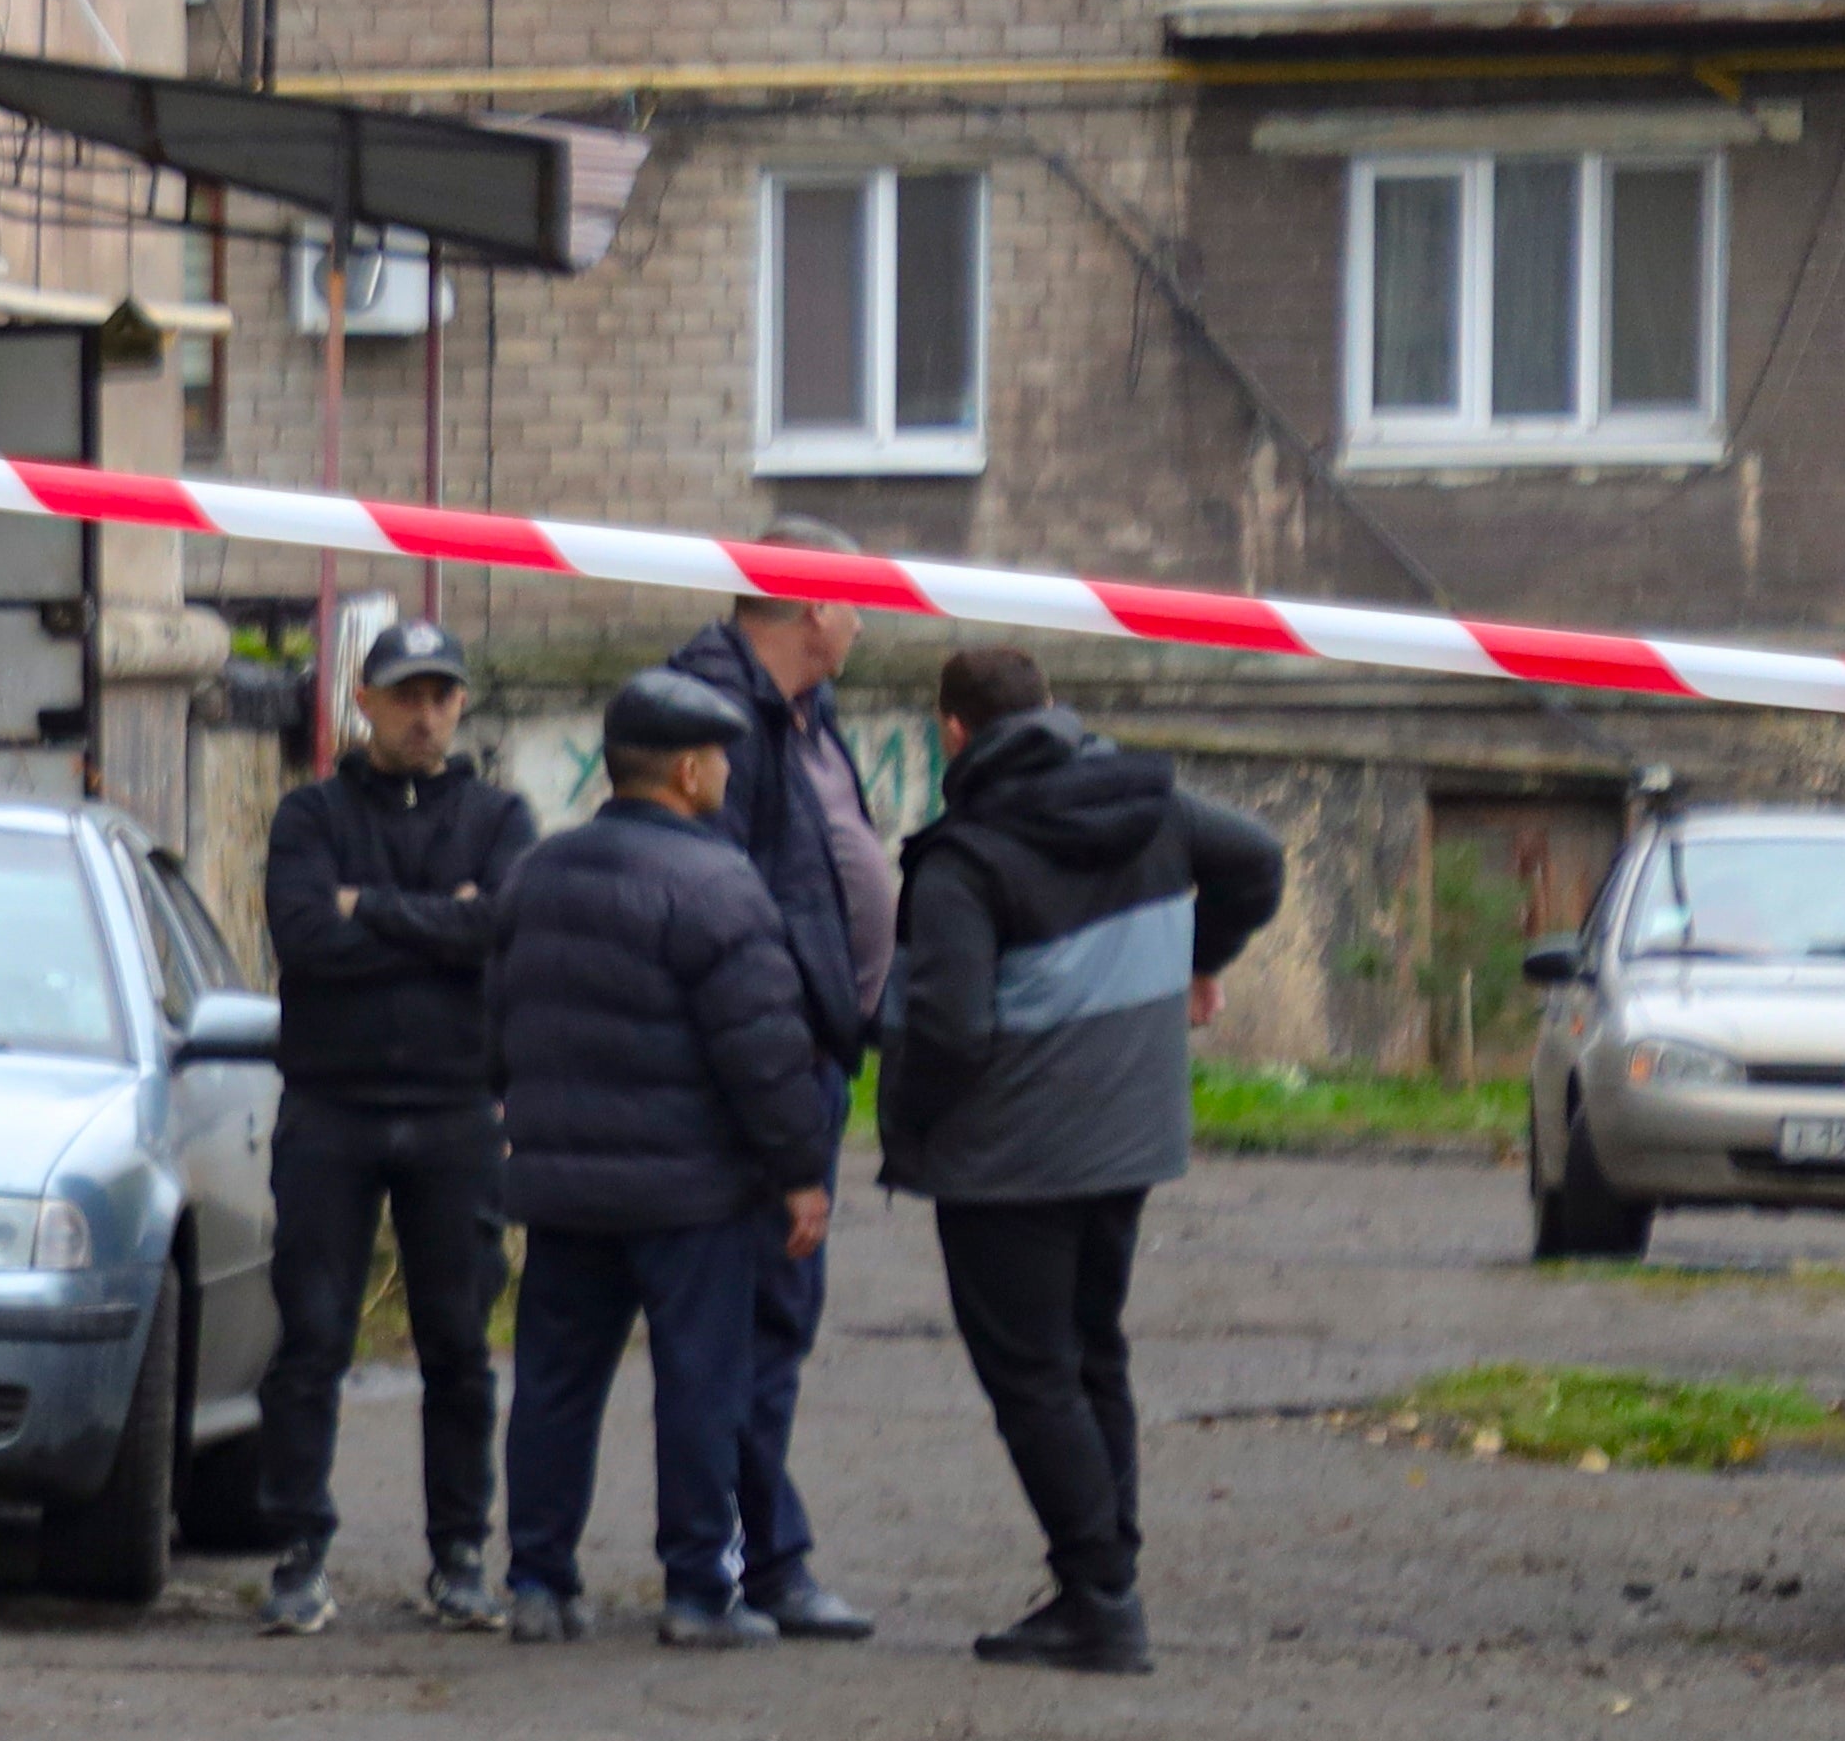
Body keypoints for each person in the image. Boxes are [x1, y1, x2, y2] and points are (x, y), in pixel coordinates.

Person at [879, 642, 1289, 1673]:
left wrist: (912, 1132)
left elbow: (948, 1026)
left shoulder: (963, 857)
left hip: (1008, 1156)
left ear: (955, 732)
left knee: (1031, 1374)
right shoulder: (1151, 802)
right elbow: (1260, 860)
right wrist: (1203, 958)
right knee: (1092, 1351)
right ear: (1052, 710)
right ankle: (1102, 1574)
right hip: (1127, 1135)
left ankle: (1101, 1595)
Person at [489, 673, 844, 1650]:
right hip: (691, 1193)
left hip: (564, 1188)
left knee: (555, 1385)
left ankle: (537, 1579)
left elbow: (498, 1021)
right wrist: (800, 1170)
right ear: (690, 771)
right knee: (701, 1384)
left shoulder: (539, 873)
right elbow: (765, 1049)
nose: (728, 773)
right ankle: (699, 1590)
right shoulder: (718, 883)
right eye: (721, 760)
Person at [249, 615, 538, 1635]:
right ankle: (297, 1548)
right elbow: (304, 939)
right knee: (314, 1334)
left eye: (441, 694)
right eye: (405, 693)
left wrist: (367, 908)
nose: (425, 713)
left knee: (458, 1343)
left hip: (458, 1108)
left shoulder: (500, 817)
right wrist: (431, 920)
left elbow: (500, 926)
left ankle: (461, 1551)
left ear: (460, 705)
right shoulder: (309, 815)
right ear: (362, 702)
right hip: (331, 1106)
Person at [661, 580, 894, 1641]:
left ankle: (751, 1552)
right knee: (754, 1318)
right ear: (810, 610)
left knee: (776, 1319)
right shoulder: (720, 720)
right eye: (857, 603)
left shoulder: (807, 716)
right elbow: (734, 915)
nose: (866, 623)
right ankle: (756, 1560)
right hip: (768, 1064)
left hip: (815, 1051)